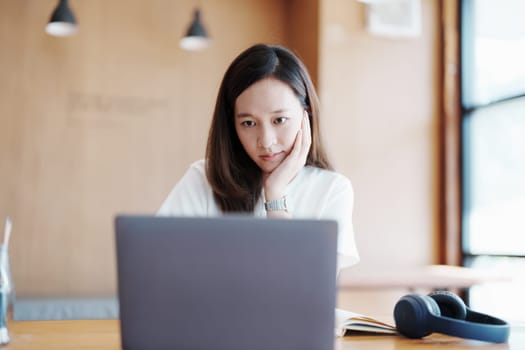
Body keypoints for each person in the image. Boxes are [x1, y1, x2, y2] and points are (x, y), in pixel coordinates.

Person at [158, 43, 359, 273]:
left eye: (279, 120)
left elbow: (303, 284)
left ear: (307, 117)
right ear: (232, 125)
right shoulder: (203, 179)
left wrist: (275, 195)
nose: (266, 141)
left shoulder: (332, 190)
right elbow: (157, 262)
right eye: (249, 123)